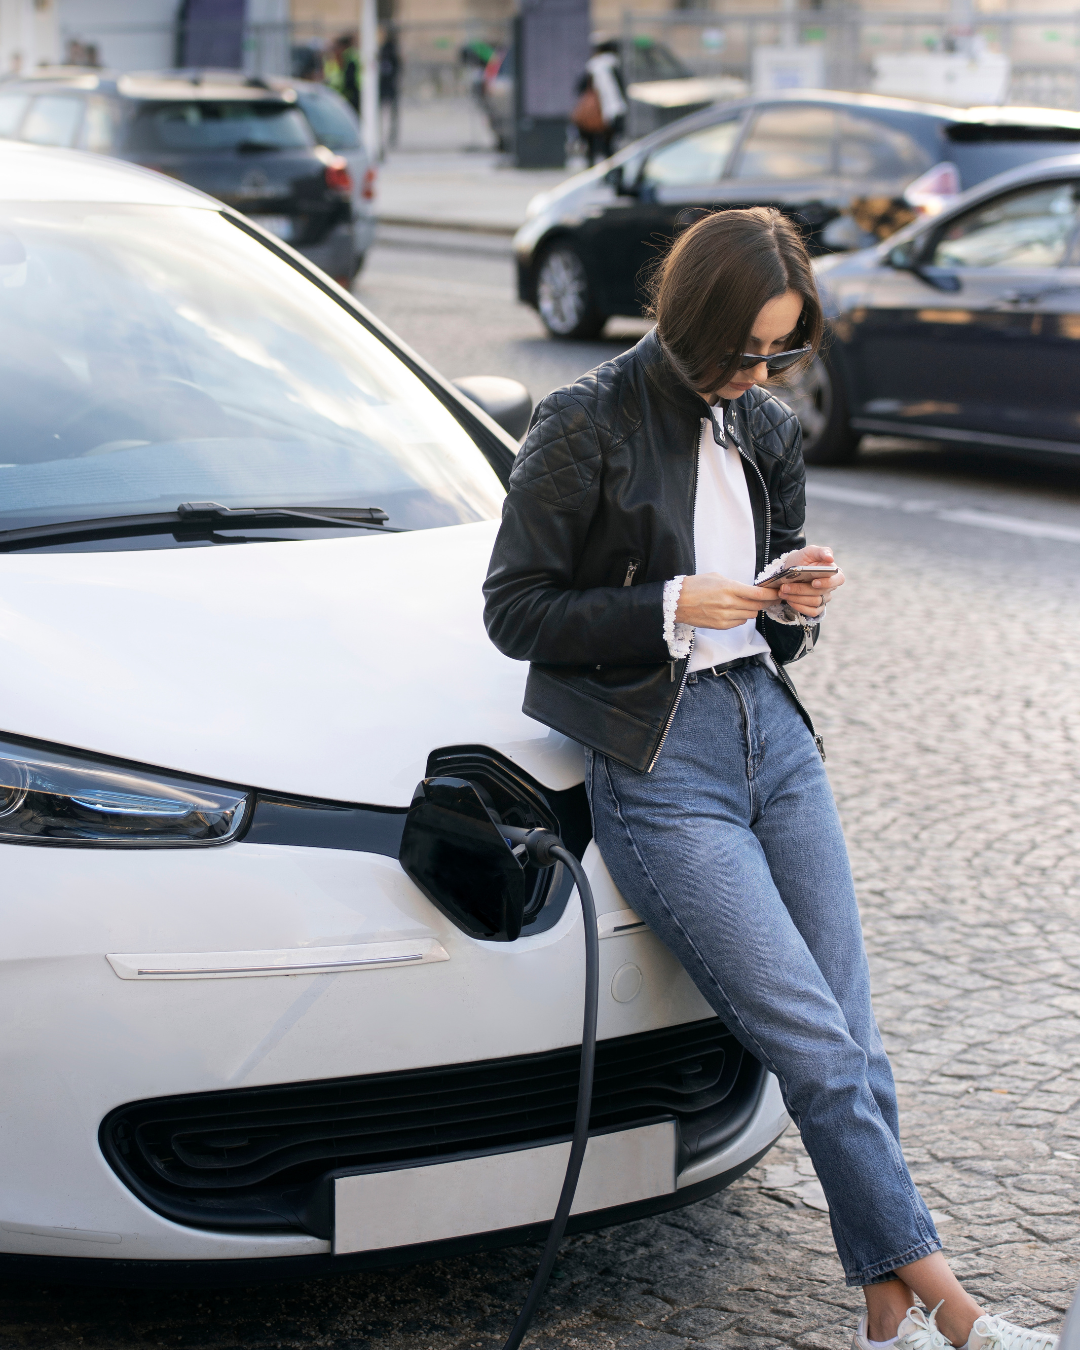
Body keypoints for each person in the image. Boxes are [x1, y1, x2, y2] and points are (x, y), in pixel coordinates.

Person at [483, 207, 1058, 1350]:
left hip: (773, 740)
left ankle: (884, 1316)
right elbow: (514, 609)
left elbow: (772, 622)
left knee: (856, 1034)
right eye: (743, 348)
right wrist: (665, 606)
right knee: (815, 1045)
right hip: (659, 761)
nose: (757, 373)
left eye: (777, 352)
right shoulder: (582, 420)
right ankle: (957, 1314)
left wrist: (794, 600)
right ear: (685, 314)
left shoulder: (767, 428)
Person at [576, 37, 626, 165]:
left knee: (592, 147)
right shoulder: (614, 66)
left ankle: (593, 174)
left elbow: (579, 88)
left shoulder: (594, 67)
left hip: (594, 114)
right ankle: (612, 175)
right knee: (609, 147)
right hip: (613, 112)